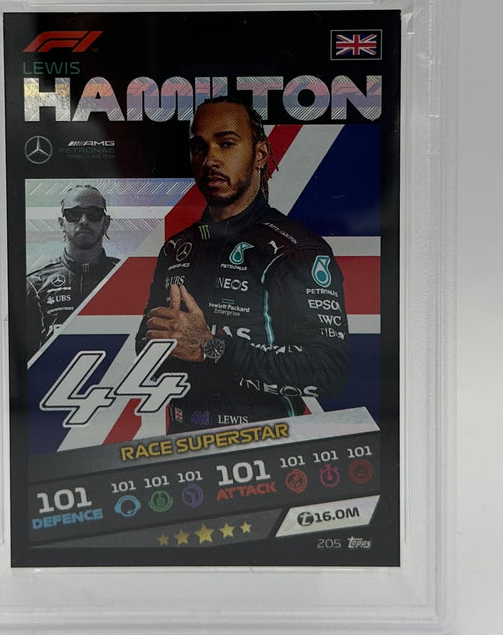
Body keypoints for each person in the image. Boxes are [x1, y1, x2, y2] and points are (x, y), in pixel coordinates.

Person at [138, 97, 349, 432]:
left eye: (226, 144)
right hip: (183, 444)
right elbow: (148, 346)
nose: (210, 160)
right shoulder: (177, 248)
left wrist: (212, 347)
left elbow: (327, 372)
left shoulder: (295, 249)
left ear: (260, 154)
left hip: (266, 446)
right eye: (199, 148)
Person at [26, 184, 119, 352]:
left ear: (106, 223)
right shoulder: (35, 284)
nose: (84, 221)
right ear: (61, 223)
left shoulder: (127, 277)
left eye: (93, 214)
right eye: (74, 214)